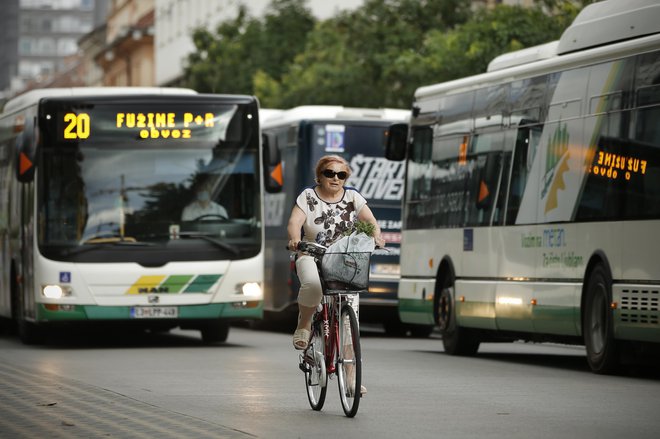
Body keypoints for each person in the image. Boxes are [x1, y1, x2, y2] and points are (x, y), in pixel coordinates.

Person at [287, 155, 385, 395]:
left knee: (350, 327)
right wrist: (295, 239)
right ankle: (305, 324)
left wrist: (377, 237)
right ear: (319, 176)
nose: (335, 178)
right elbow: (294, 222)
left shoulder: (353, 197)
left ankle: (351, 381)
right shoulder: (308, 197)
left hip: (345, 258)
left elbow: (370, 222)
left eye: (341, 175)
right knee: (312, 284)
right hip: (312, 253)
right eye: (330, 173)